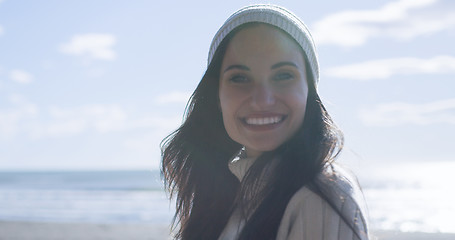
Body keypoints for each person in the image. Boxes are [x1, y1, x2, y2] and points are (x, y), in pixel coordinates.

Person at [161, 4, 369, 240]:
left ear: (309, 93)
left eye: (283, 76)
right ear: (217, 96)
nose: (262, 100)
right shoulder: (231, 195)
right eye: (240, 78)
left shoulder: (322, 195)